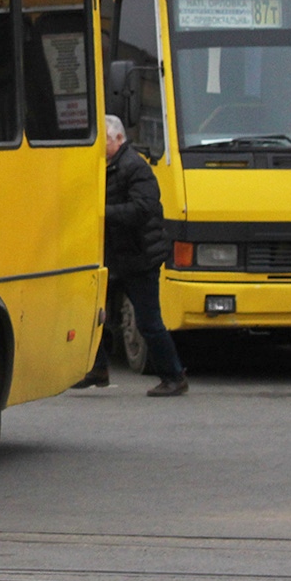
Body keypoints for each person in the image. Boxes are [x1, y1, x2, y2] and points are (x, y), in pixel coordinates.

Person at [74, 114, 187, 396]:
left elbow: (143, 209)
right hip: (115, 256)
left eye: (106, 140)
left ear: (119, 139)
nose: (100, 146)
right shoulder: (107, 165)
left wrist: (103, 214)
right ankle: (97, 369)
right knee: (93, 313)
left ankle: (174, 376)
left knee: (149, 322)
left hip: (139, 258)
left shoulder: (135, 166)